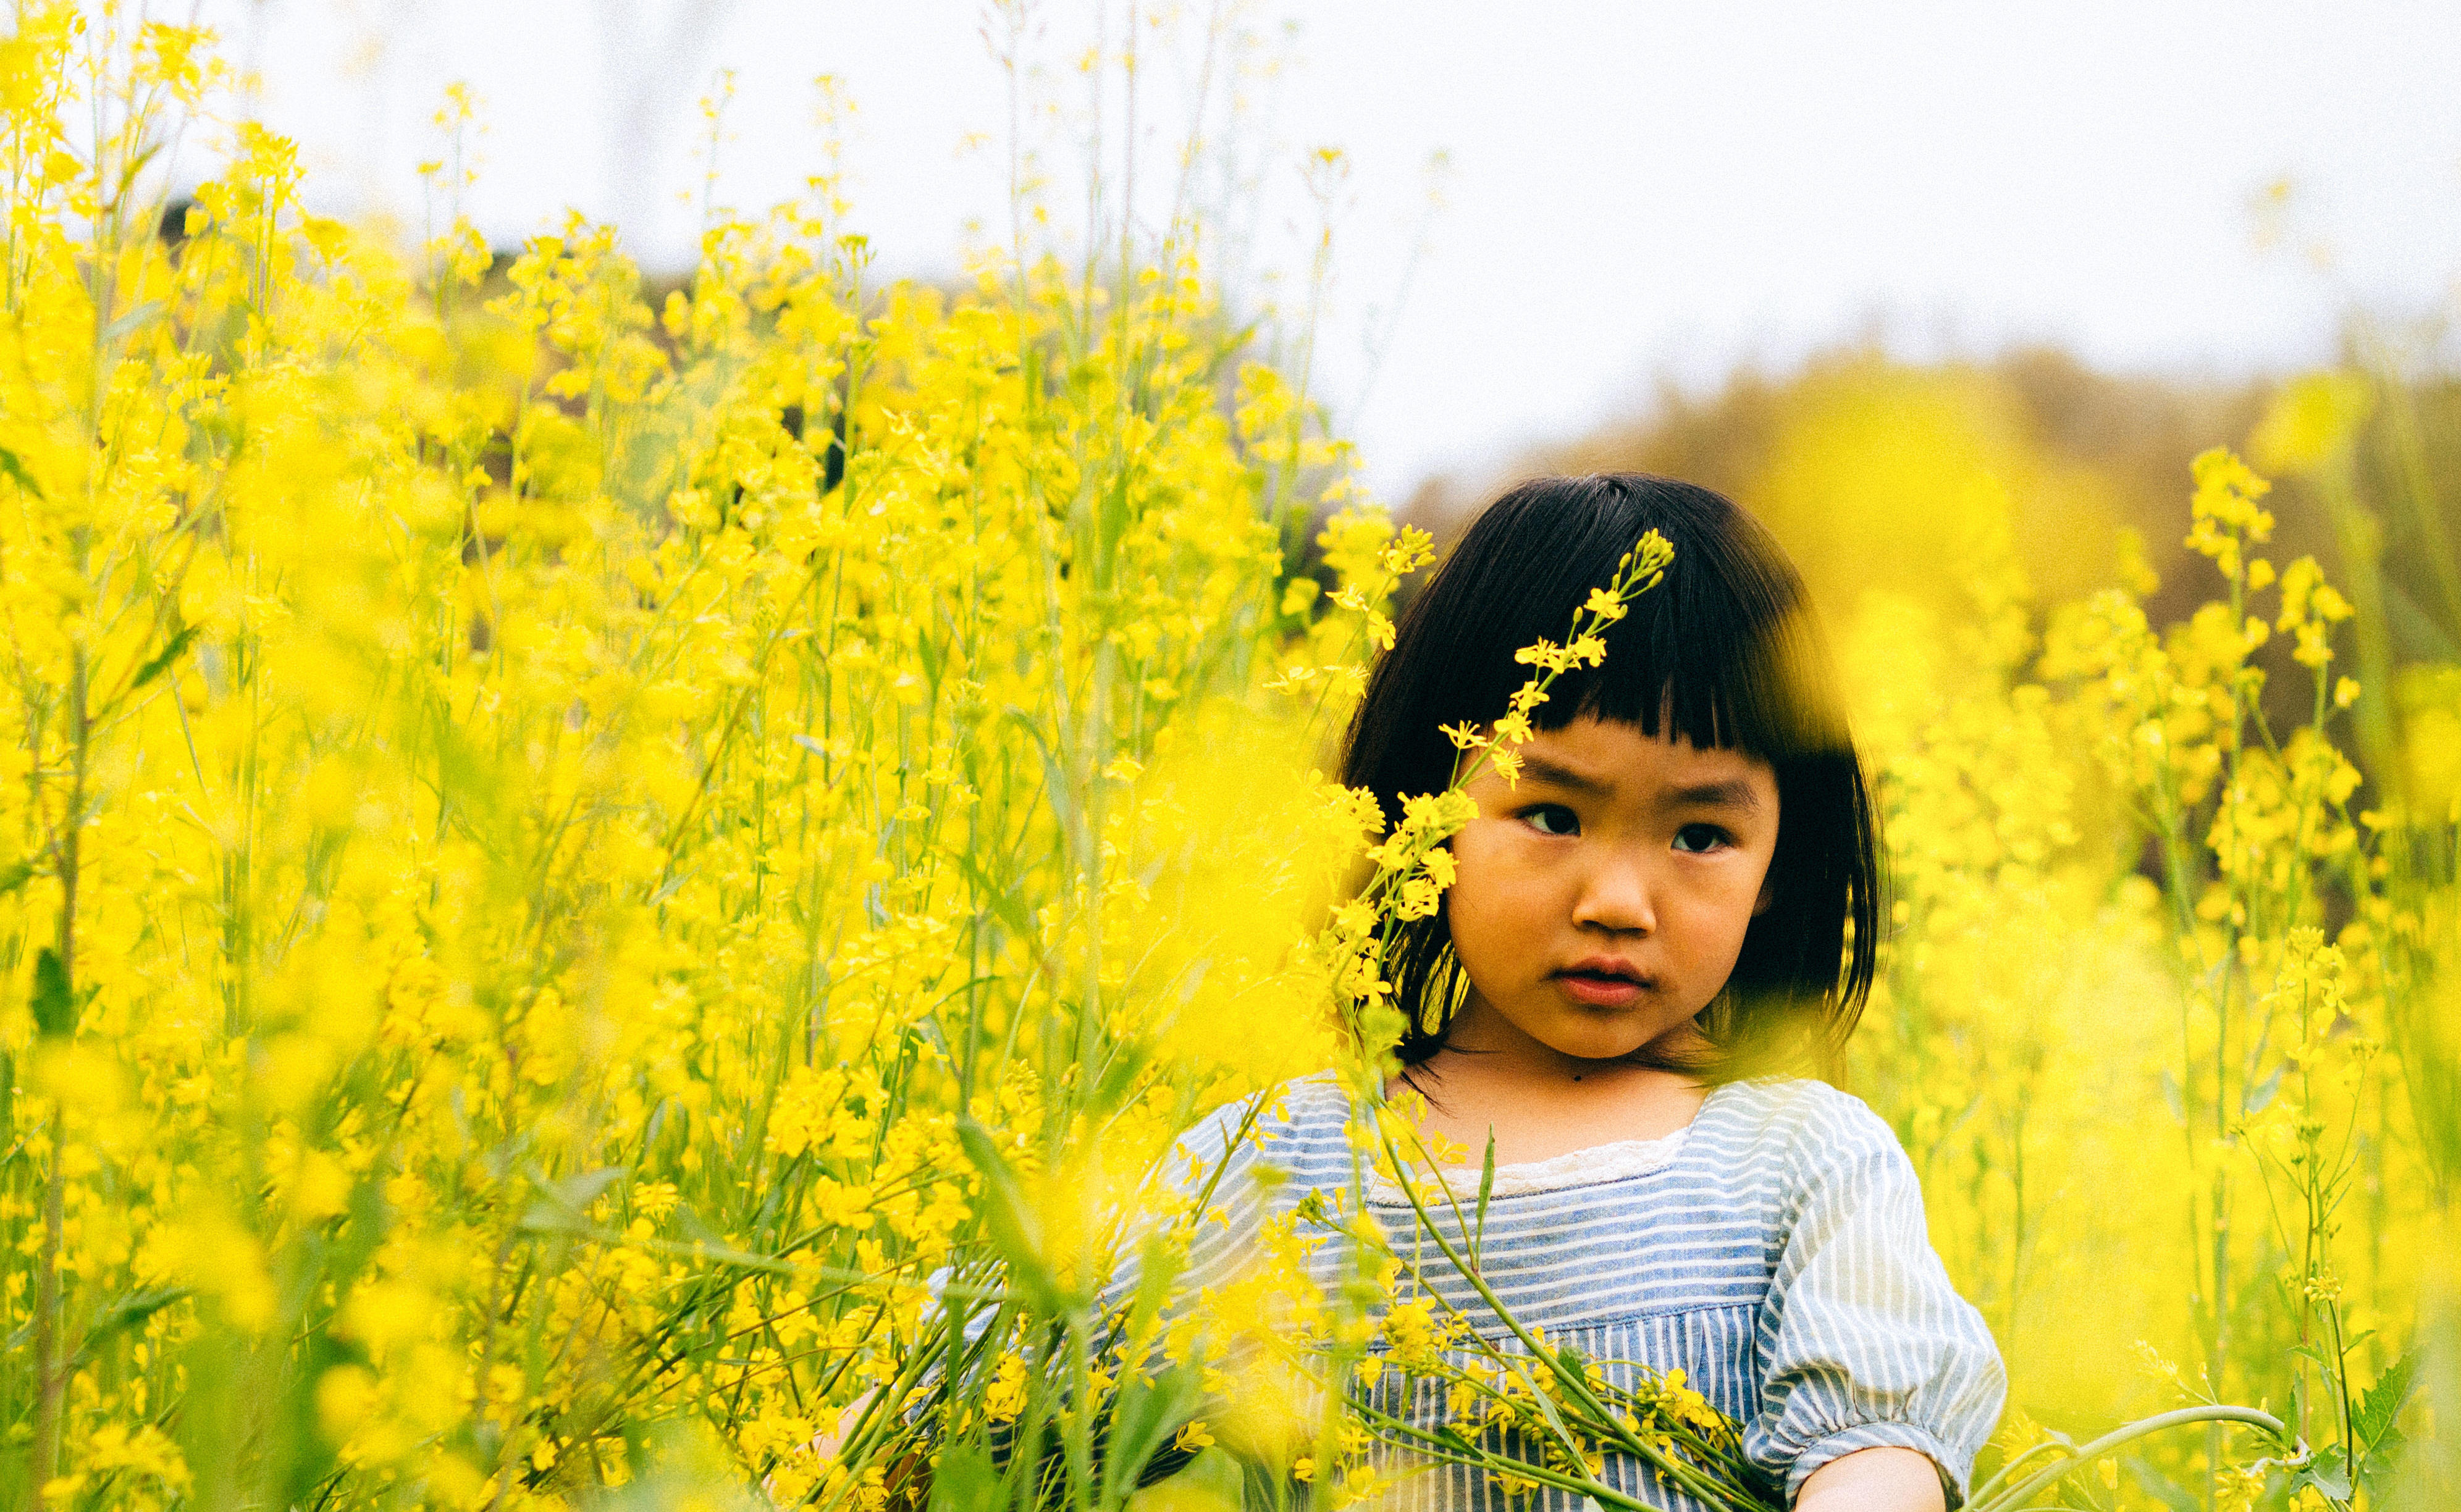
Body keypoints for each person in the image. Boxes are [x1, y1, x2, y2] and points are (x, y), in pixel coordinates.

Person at [1146, 474, 2006, 1511]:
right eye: (1554, 814)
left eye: (1700, 836)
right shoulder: (1278, 1170)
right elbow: (999, 1422)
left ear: (1778, 868)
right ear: (1428, 812)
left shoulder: (1802, 1164)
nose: (1617, 903)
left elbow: (1877, 1450)